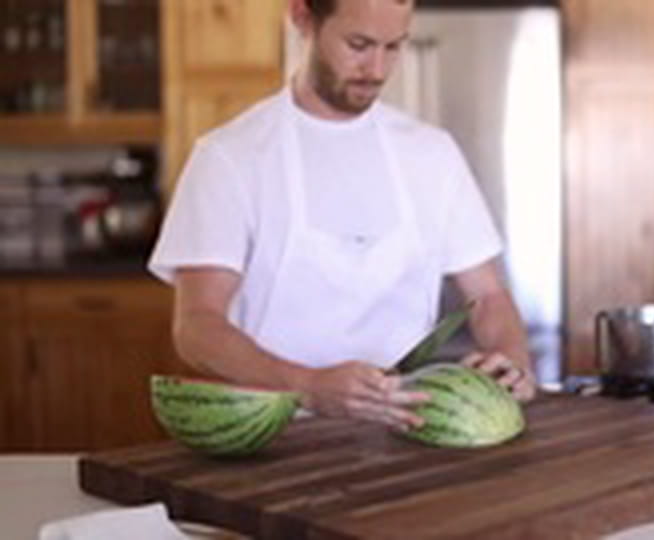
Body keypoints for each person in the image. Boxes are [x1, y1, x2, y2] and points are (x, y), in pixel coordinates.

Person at [148, 0, 537, 433]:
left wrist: (512, 361)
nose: (376, 68)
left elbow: (487, 298)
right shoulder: (229, 158)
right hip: (277, 440)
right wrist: (308, 386)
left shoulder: (432, 153)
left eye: (394, 47)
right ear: (301, 17)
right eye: (358, 44)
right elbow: (197, 327)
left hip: (408, 435)